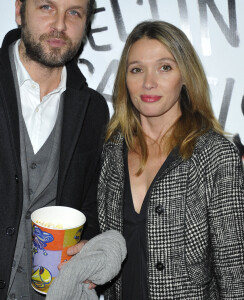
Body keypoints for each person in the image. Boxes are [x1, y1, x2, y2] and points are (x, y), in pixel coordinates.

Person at [0, 0, 109, 299]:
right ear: (20, 10)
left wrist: (88, 245)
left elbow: (89, 206)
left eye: (74, 12)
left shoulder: (94, 110)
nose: (59, 24)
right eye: (46, 7)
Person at [97, 20, 244, 299]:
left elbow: (234, 272)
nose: (148, 82)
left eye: (165, 67)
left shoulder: (215, 155)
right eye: (136, 69)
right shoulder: (112, 149)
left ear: (185, 76)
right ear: (125, 80)